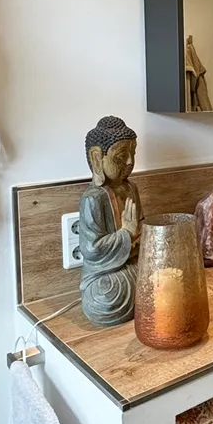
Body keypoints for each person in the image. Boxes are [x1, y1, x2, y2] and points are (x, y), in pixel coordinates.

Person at [77, 116, 142, 326]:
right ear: (97, 159)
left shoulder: (131, 188)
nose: (130, 162)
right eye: (121, 156)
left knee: (161, 276)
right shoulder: (93, 198)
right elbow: (92, 248)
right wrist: (126, 233)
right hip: (105, 274)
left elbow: (141, 226)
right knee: (105, 298)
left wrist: (141, 235)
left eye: (133, 154)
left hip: (134, 263)